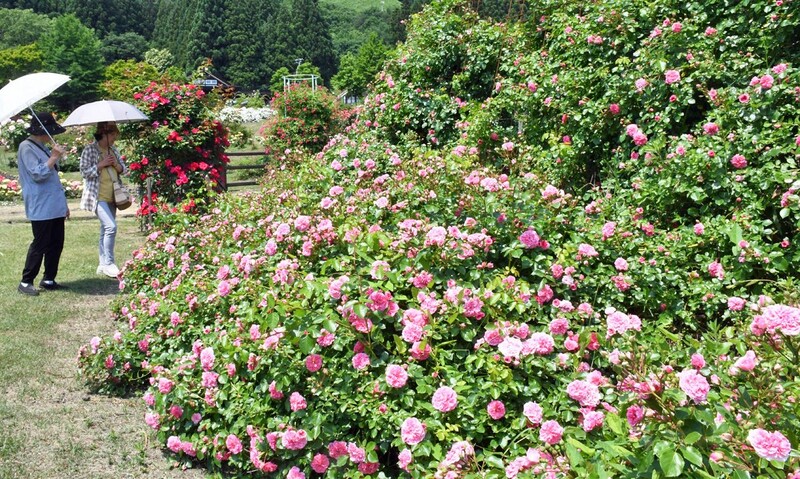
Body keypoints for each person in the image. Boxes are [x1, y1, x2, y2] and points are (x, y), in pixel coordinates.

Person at [17, 111, 69, 296]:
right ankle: (26, 281)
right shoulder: (26, 147)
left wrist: (63, 204)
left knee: (56, 242)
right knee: (41, 243)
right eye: (50, 131)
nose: (52, 135)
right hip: (40, 203)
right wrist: (53, 157)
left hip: (54, 203)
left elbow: (53, 176)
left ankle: (49, 278)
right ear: (42, 131)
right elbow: (37, 174)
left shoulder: (43, 147)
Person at [79, 121, 127, 278]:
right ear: (104, 134)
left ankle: (102, 263)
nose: (114, 139)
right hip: (97, 197)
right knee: (111, 227)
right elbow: (84, 172)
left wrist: (116, 165)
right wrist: (101, 165)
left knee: (104, 229)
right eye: (113, 135)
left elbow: (124, 169)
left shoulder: (113, 150)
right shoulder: (90, 150)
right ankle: (109, 264)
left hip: (113, 196)